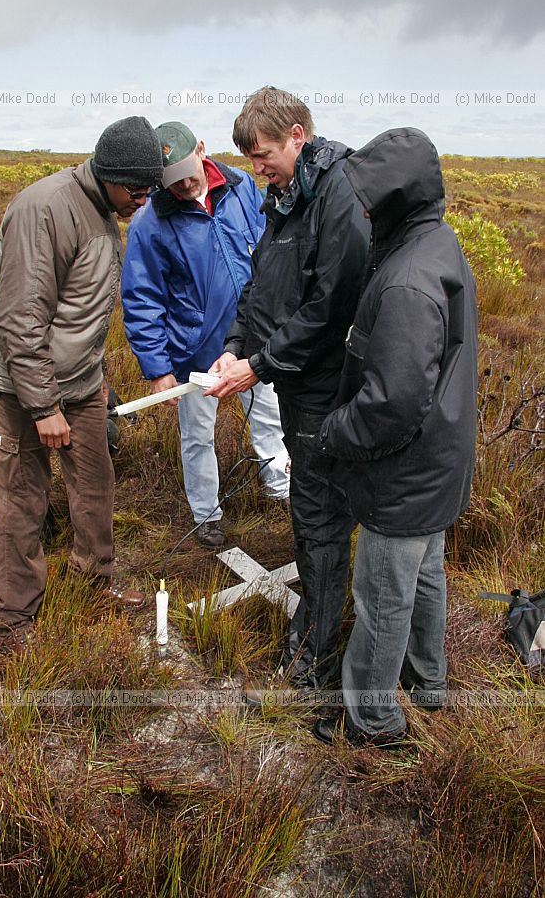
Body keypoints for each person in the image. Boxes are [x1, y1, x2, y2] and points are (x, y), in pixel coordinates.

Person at [312, 127, 478, 747]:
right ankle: (428, 682)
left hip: (404, 470)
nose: (359, 209)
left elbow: (394, 403)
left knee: (382, 595)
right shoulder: (438, 243)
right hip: (440, 457)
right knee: (425, 570)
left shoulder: (408, 278)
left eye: (368, 198)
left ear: (395, 199)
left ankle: (372, 721)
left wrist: (334, 429)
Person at [0, 116, 164, 641]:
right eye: (139, 191)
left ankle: (95, 581)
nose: (143, 201)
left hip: (80, 388)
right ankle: (13, 620)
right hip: (21, 391)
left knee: (95, 486)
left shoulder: (104, 208)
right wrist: (44, 408)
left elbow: (82, 313)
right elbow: (21, 320)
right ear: (111, 174)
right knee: (21, 500)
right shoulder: (45, 209)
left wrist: (94, 380)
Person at [208, 87, 370, 688]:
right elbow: (261, 289)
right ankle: (317, 629)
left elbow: (332, 308)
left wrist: (261, 366)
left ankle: (317, 655)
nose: (256, 169)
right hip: (292, 382)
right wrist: (233, 350)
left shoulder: (339, 193)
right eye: (249, 158)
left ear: (298, 135)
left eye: (265, 153)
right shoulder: (283, 196)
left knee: (320, 516)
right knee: (308, 508)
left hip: (327, 390)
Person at [121, 121, 290, 549]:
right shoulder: (150, 223)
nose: (182, 186)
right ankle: (206, 516)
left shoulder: (241, 190)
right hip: (193, 354)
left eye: (187, 175)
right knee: (197, 436)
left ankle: (281, 489)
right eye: (171, 182)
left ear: (201, 149)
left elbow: (268, 252)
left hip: (253, 341)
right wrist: (159, 369)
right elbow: (142, 299)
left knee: (271, 419)